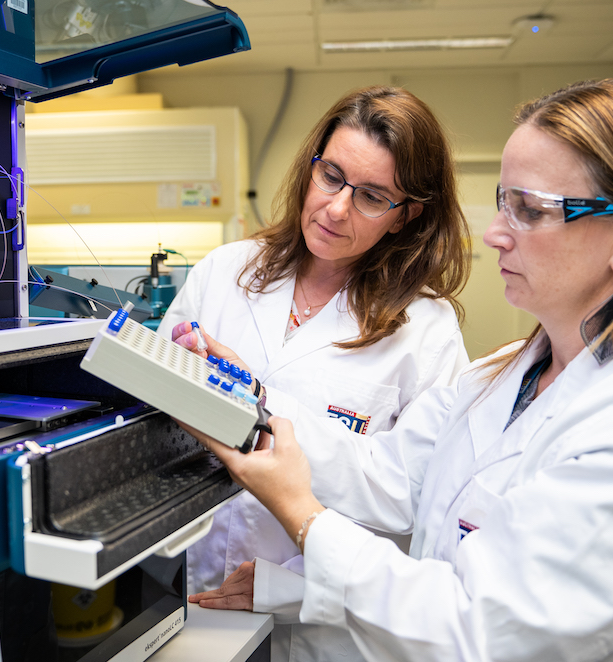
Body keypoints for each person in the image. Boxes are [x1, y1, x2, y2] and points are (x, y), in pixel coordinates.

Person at [187, 77, 613, 661]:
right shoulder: (503, 377)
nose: (493, 233)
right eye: (504, 200)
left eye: (530, 209)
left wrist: (304, 518)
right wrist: (247, 394)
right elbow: (385, 472)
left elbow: (477, 633)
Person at [158, 85, 472, 660]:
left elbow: (411, 496)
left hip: (320, 619)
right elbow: (157, 416)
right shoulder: (225, 271)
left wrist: (297, 583)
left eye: (373, 196)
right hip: (185, 591)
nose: (335, 208)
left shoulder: (425, 330)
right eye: (331, 176)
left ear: (407, 216)